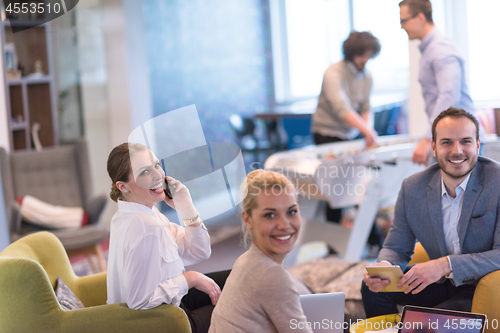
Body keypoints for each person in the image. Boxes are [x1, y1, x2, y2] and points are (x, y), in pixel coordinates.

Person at [361, 108, 500, 318]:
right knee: (375, 291)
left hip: (485, 284)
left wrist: (445, 265)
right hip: (442, 282)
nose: (457, 151)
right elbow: (396, 247)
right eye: (446, 142)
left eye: (466, 141)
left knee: (425, 321)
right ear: (433, 147)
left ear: (478, 145)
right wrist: (384, 268)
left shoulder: (497, 182)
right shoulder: (413, 188)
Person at [106, 142, 229, 333]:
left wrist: (186, 208)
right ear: (123, 186)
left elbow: (199, 251)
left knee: (241, 280)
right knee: (245, 304)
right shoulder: (146, 226)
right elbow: (139, 301)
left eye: (156, 165)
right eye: (144, 172)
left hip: (171, 302)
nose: (158, 176)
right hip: (164, 321)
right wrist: (190, 279)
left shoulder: (140, 214)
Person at [209, 170, 312, 333]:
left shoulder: (245, 260)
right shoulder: (272, 275)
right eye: (270, 215)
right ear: (248, 220)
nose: (284, 224)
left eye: (291, 211)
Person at [398, 0, 484, 166]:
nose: (402, 26)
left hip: (462, 142)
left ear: (420, 17)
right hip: (455, 140)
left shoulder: (440, 49)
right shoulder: (431, 49)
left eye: (404, 21)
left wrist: (427, 139)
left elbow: (449, 96)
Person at [311, 31, 381, 149]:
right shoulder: (333, 72)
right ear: (351, 53)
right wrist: (367, 131)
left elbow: (365, 107)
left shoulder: (367, 76)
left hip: (351, 133)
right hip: (327, 133)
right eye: (361, 55)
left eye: (368, 55)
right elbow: (341, 109)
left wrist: (367, 130)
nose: (364, 60)